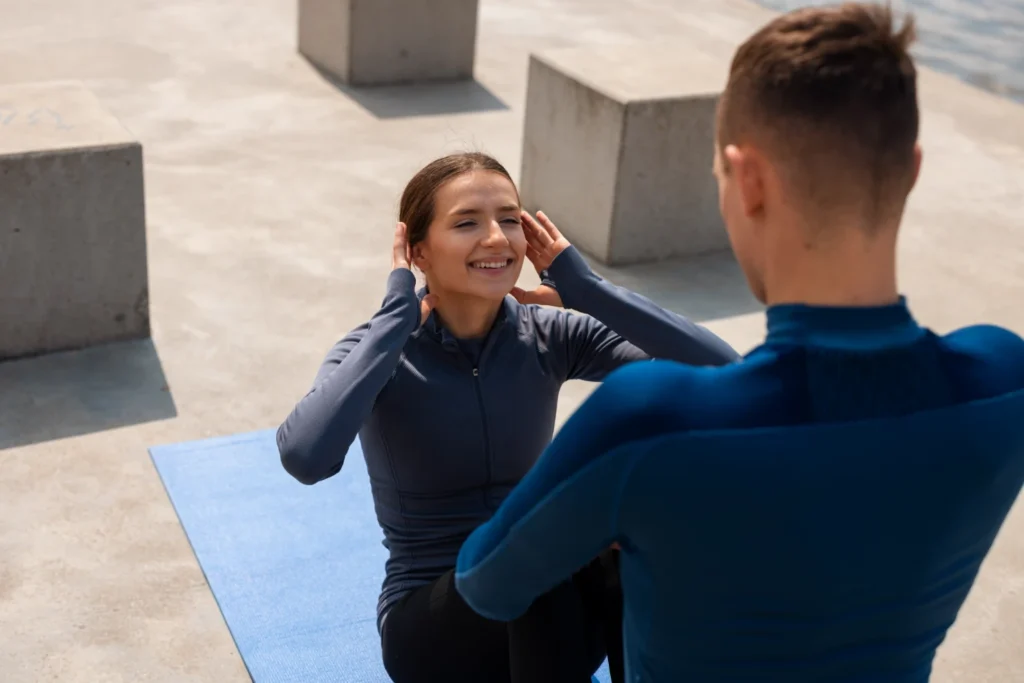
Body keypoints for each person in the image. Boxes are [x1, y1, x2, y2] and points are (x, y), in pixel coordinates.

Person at [453, 4, 1024, 682]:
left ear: (747, 179)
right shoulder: (1003, 377)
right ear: (910, 168)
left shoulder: (648, 420)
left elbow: (486, 580)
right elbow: (779, 399)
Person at [276, 152, 739, 683]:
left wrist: (587, 291)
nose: (497, 238)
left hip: (551, 605)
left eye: (511, 219)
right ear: (418, 252)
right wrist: (392, 324)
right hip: (435, 629)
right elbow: (305, 458)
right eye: (468, 222)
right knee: (540, 552)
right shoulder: (376, 350)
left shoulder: (549, 333)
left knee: (636, 534)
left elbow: (722, 373)